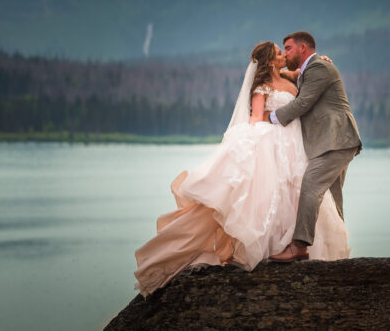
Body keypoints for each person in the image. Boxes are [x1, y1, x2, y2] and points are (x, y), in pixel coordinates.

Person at [133, 40, 349, 296]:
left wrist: (320, 61)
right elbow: (256, 118)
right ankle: (274, 249)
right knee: (273, 193)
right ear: (269, 61)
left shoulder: (290, 81)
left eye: (284, 51)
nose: (283, 56)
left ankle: (299, 247)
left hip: (296, 146)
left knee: (300, 190)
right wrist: (248, 142)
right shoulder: (262, 88)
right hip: (274, 144)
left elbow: (305, 82)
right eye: (279, 53)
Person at [268, 31, 362, 263]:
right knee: (332, 195)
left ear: (303, 48)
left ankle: (299, 246)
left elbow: (303, 102)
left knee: (310, 184)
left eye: (288, 48)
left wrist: (269, 117)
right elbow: (283, 74)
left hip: (336, 139)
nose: (286, 53)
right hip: (334, 141)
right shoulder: (310, 69)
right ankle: (338, 252)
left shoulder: (319, 68)